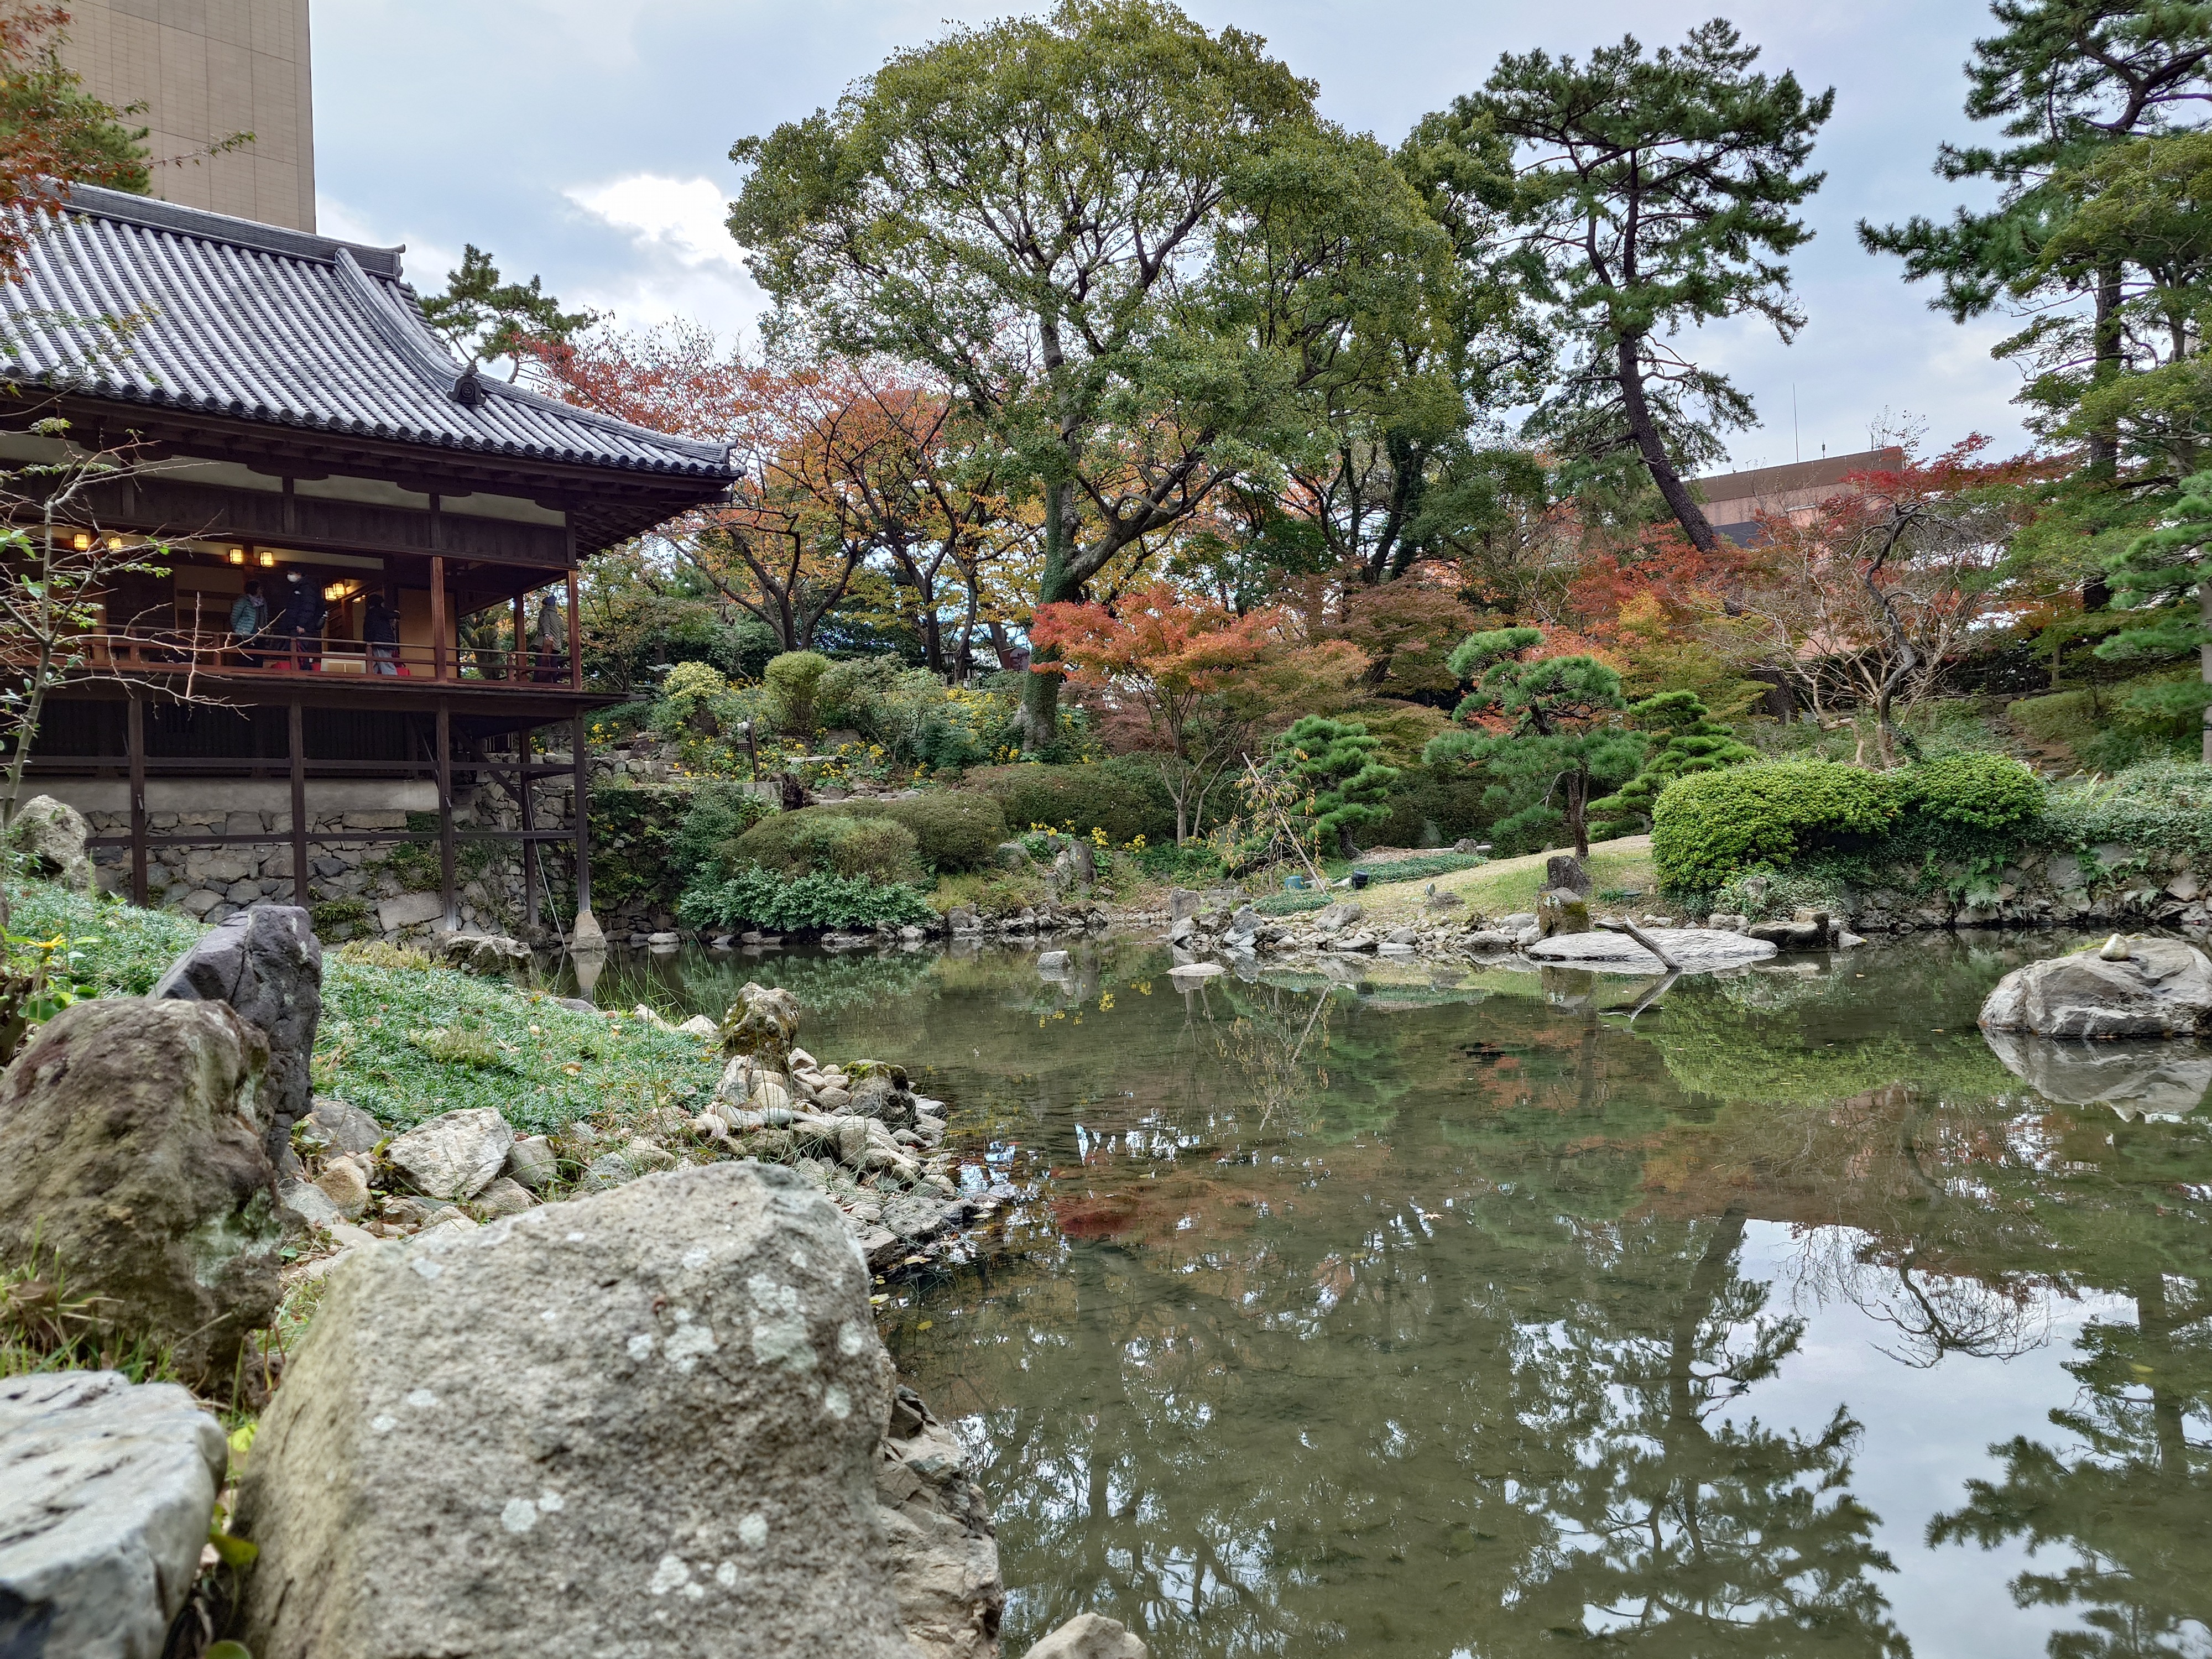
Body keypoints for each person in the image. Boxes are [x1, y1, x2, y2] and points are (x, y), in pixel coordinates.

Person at [279, 569, 326, 670]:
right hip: (294, 627)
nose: (289, 576)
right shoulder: (298, 587)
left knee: (300, 652)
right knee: (295, 651)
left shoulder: (307, 588)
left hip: (300, 628)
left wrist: (302, 624)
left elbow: (308, 608)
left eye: (291, 574)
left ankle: (303, 672)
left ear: (299, 574)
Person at [229, 580, 268, 667]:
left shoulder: (263, 601)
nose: (261, 590)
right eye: (260, 588)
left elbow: (265, 615)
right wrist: (239, 630)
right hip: (245, 634)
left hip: (260, 635)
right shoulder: (243, 600)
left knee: (258, 658)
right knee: (245, 658)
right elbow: (234, 617)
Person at [531, 593, 568, 682]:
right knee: (553, 665)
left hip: (544, 643)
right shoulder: (558, 618)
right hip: (556, 645)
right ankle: (554, 681)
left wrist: (546, 634)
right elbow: (561, 633)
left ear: (546, 605)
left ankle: (537, 681)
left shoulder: (545, 614)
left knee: (540, 663)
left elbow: (545, 624)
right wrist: (560, 643)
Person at [363, 593, 401, 675]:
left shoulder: (373, 612)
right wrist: (397, 613)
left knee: (381, 663)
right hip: (384, 641)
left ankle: (391, 681)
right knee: (380, 663)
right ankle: (388, 680)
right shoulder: (380, 612)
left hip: (378, 642)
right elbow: (395, 615)